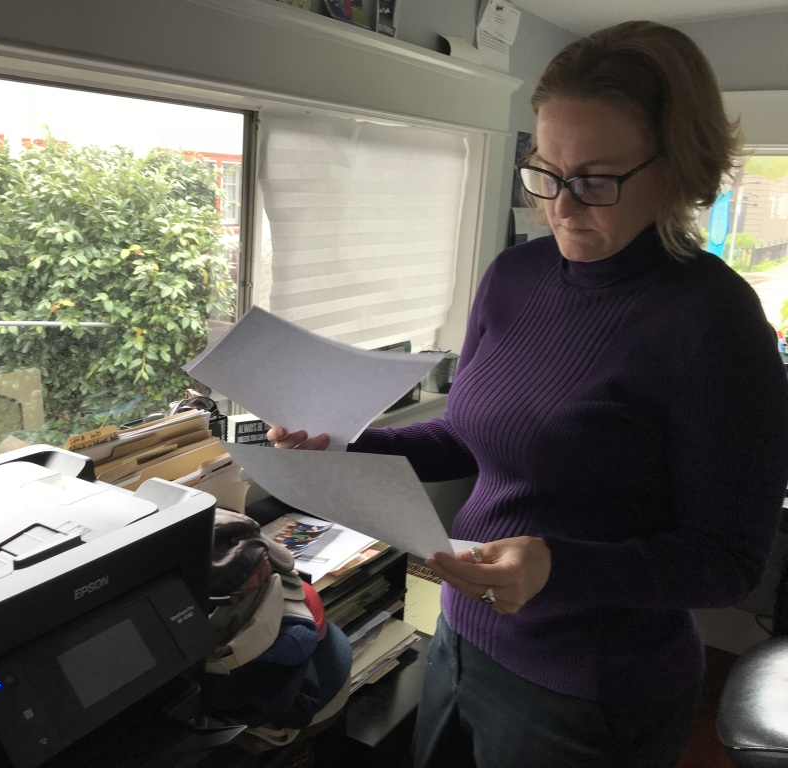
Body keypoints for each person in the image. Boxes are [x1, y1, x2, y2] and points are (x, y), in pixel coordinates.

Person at [266, 20, 788, 768]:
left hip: (593, 689)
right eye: (546, 172)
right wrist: (349, 445)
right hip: (461, 638)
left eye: (597, 180)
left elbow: (730, 559)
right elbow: (466, 432)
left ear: (677, 166)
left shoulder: (714, 321)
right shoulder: (515, 277)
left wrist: (558, 566)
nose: (564, 207)